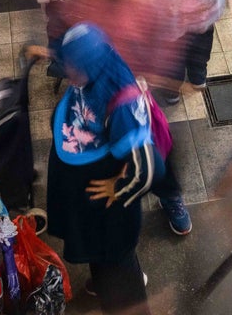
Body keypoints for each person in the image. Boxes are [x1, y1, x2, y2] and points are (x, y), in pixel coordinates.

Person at [44, 23, 158, 313]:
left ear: (88, 65)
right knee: (100, 255)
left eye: (71, 67)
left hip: (110, 214)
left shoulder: (122, 102)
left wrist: (118, 188)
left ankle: (124, 298)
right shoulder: (91, 68)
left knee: (117, 264)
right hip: (89, 205)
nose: (67, 72)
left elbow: (145, 169)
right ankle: (103, 281)